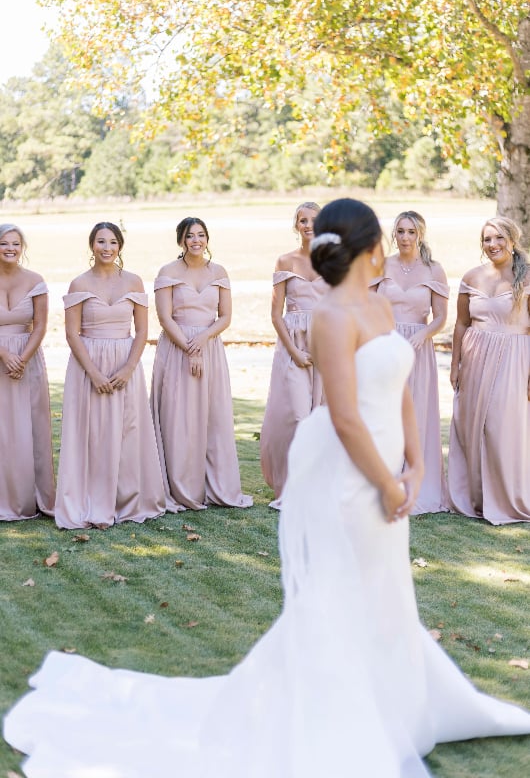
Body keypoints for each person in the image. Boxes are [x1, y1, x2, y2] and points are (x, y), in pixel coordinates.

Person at [5, 199, 530, 778]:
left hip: (386, 464)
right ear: (363, 245)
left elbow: (402, 387)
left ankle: (396, 696)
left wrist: (414, 465)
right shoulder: (331, 315)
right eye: (377, 237)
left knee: (386, 589)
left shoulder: (379, 305)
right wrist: (384, 479)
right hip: (349, 471)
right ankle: (332, 706)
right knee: (341, 587)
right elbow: (345, 415)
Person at [53, 222, 166, 529]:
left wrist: (128, 367)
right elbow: (72, 334)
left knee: (127, 431)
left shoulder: (133, 281)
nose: (107, 247)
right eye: (101, 242)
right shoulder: (79, 284)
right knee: (91, 433)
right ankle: (89, 498)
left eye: (112, 242)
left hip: (125, 363)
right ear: (92, 245)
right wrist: (94, 373)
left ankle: (127, 499)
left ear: (120, 246)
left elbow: (142, 330)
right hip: (88, 365)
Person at [150, 216, 252, 511]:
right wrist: (189, 348)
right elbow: (165, 317)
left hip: (209, 350)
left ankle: (213, 485)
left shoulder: (219, 272)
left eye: (201, 235)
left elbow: (225, 317)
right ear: (181, 239)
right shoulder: (167, 272)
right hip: (176, 349)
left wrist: (204, 340)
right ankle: (180, 487)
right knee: (177, 418)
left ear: (207, 239)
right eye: (191, 236)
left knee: (212, 417)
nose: (196, 241)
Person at [448, 216, 530, 524]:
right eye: (486, 239)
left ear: (511, 240)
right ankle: (477, 497)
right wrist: (455, 364)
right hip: (475, 357)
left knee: (501, 426)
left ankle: (508, 498)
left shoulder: (527, 276)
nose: (492, 244)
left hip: (514, 357)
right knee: (471, 426)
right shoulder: (471, 276)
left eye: (498, 238)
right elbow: (460, 323)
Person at [372, 210, 449, 514]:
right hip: (385, 344)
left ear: (421, 235)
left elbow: (442, 316)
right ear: (395, 235)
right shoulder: (382, 265)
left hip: (418, 347)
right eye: (401, 231)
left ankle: (416, 482)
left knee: (415, 414)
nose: (405, 238)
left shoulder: (434, 270)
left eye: (411, 232)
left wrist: (424, 334)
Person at [260, 201, 326, 509]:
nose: (308, 225)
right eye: (302, 220)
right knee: (300, 417)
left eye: (314, 220)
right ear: (296, 225)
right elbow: (275, 315)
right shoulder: (284, 261)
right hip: (294, 344)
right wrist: (295, 352)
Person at [0, 223, 55, 520]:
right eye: (4, 243)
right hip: (1, 358)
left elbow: (41, 325)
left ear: (22, 248)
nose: (10, 249)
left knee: (29, 428)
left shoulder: (35, 280)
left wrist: (21, 357)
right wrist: (5, 354)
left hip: (28, 360)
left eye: (15, 244)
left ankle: (30, 497)